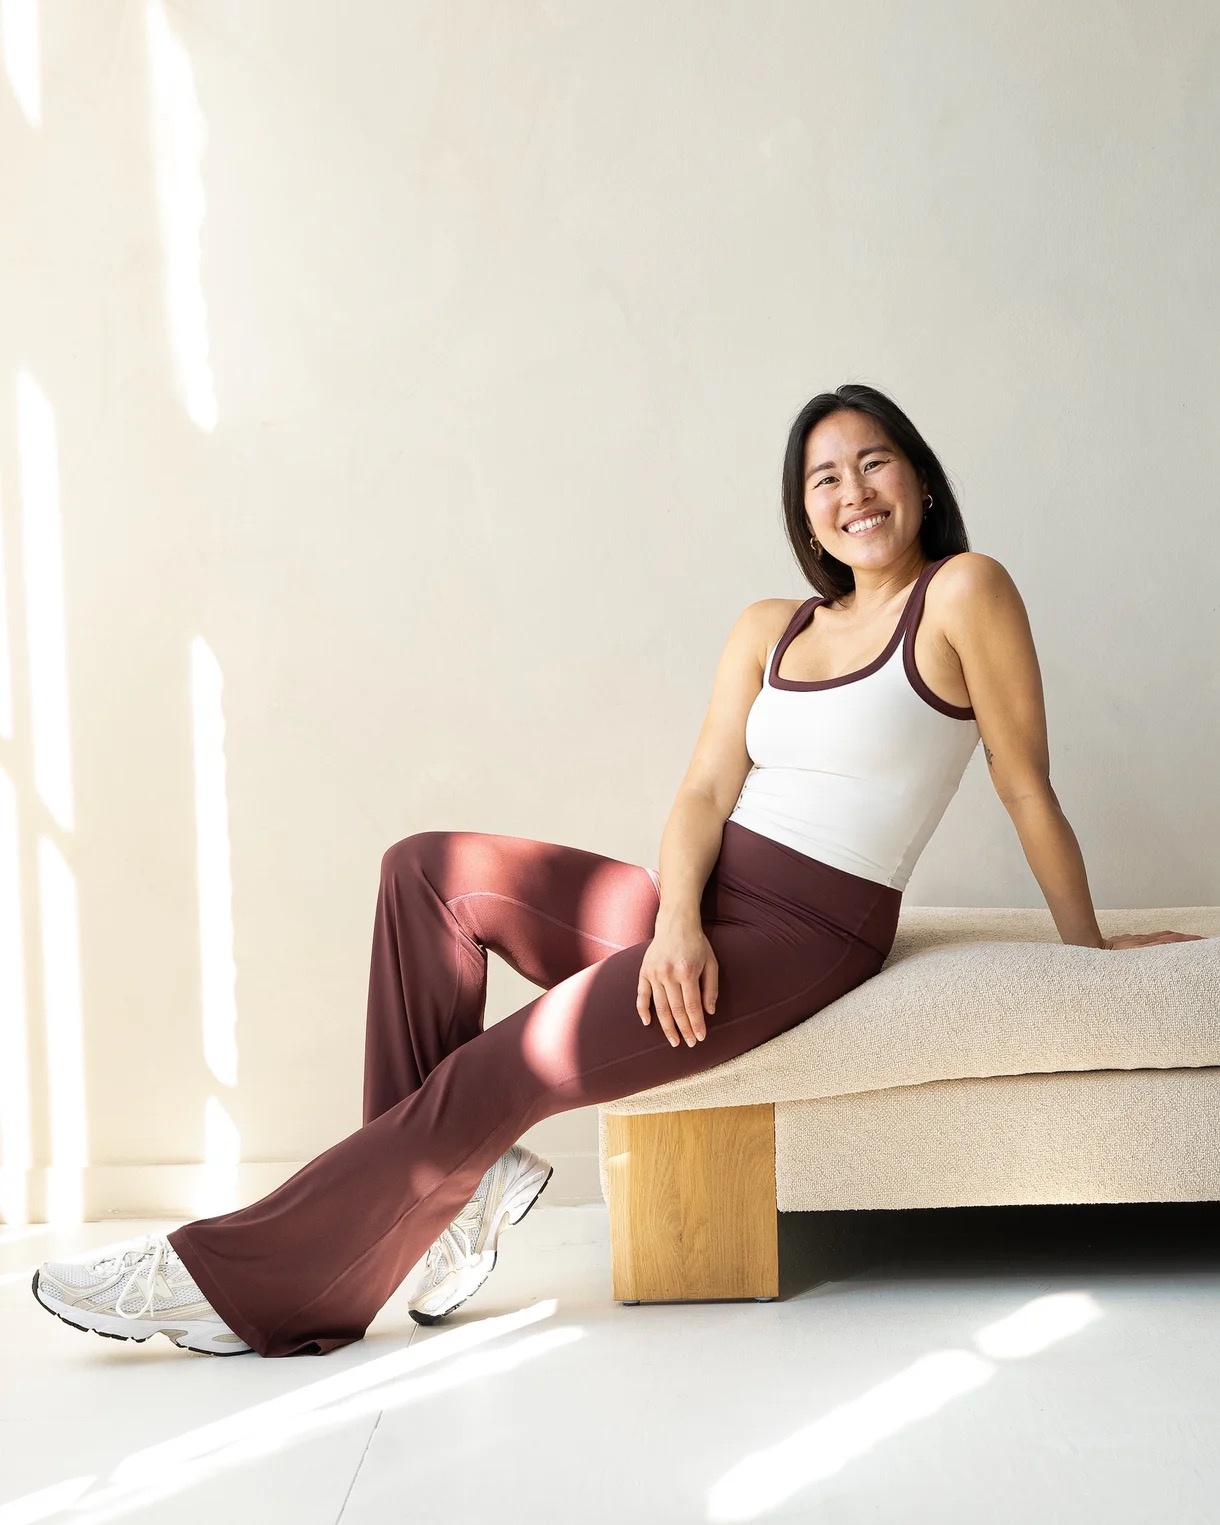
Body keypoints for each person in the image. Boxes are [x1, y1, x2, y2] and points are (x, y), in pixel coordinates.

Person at [30, 384, 1203, 1358]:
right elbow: (700, 793)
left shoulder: (962, 592)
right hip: (705, 900)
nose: (852, 491)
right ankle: (448, 1208)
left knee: (503, 1067)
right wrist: (677, 918)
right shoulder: (769, 626)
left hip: (809, 931)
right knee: (427, 873)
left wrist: (1086, 950)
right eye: (822, 477)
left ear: (920, 482)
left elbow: (1022, 784)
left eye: (873, 463)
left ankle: (242, 1283)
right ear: (802, 511)